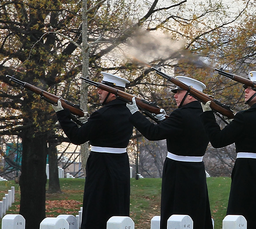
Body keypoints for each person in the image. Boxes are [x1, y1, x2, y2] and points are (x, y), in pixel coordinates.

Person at [126, 76, 213, 229]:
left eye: (178, 92)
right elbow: (182, 132)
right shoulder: (205, 115)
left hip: (178, 171)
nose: (175, 95)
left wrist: (135, 113)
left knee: (175, 211)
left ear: (191, 95)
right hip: (197, 171)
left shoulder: (180, 115)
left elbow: (153, 133)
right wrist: (163, 120)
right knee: (195, 211)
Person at [200, 71, 256, 229]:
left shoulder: (244, 117)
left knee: (242, 214)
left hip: (246, 172)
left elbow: (218, 140)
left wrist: (208, 115)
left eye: (250, 88)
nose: (246, 90)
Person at [52, 72, 132, 229]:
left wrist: (62, 114)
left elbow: (77, 137)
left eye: (102, 88)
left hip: (101, 166)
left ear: (113, 93)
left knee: (96, 209)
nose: (98, 91)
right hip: (120, 164)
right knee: (117, 207)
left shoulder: (102, 114)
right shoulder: (129, 112)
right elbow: (101, 131)